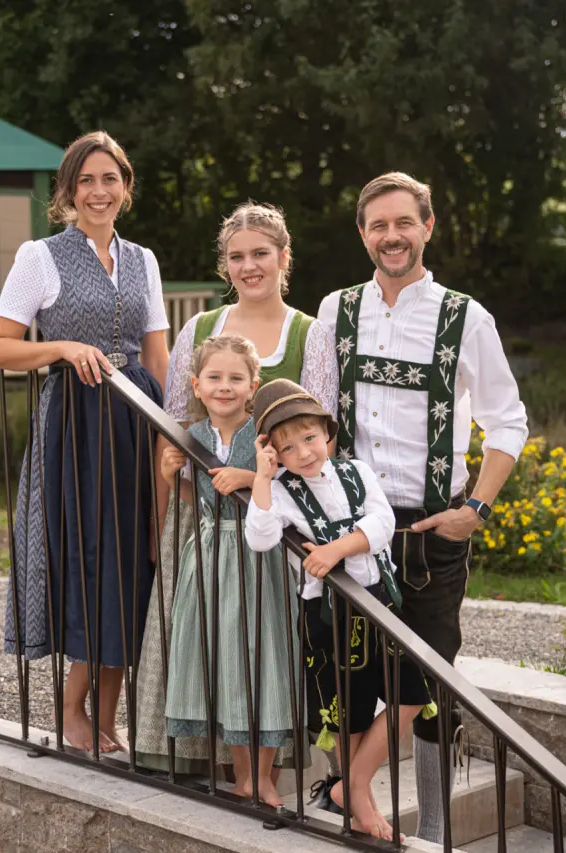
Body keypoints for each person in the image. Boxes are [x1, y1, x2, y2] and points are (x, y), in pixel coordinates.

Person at [316, 172, 528, 844]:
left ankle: (430, 831)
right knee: (346, 675)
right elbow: (313, 410)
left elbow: (508, 422)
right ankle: (353, 805)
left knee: (428, 683)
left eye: (403, 222)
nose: (391, 236)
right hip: (349, 531)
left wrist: (478, 509)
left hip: (429, 534)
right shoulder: (335, 310)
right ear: (362, 233)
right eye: (378, 225)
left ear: (427, 227)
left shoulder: (466, 317)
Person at [0, 131, 170, 754]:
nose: (98, 192)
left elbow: (158, 355)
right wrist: (61, 347)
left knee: (134, 566)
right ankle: (72, 711)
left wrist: (171, 437)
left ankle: (107, 718)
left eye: (109, 179)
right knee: (94, 565)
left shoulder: (143, 259)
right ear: (68, 190)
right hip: (78, 428)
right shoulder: (40, 256)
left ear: (125, 187)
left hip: (138, 421)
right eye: (85, 181)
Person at [133, 202, 335, 773]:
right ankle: (204, 761)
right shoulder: (200, 329)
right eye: (237, 256)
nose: (249, 266)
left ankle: (264, 769)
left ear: (283, 258)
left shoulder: (310, 335)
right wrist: (159, 519)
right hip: (197, 522)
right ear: (226, 264)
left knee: (260, 644)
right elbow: (171, 433)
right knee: (199, 638)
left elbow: (321, 445)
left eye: (260, 254)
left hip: (275, 525)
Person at [244, 378, 428, 841]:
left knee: (412, 694)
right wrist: (262, 477)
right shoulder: (281, 489)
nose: (304, 452)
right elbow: (261, 538)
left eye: (310, 438)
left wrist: (337, 549)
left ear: (326, 432)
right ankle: (362, 806)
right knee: (350, 713)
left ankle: (354, 784)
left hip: (379, 602)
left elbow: (383, 521)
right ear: (274, 453)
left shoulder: (356, 472)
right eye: (288, 447)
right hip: (329, 618)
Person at [157, 335, 295, 806]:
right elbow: (191, 499)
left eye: (235, 378)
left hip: (260, 558)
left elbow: (291, 488)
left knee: (265, 658)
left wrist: (254, 477)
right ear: (197, 385)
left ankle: (267, 775)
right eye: (214, 378)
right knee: (227, 663)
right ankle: (242, 776)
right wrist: (170, 472)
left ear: (252, 385)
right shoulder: (191, 437)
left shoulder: (264, 434)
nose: (224, 387)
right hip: (211, 555)